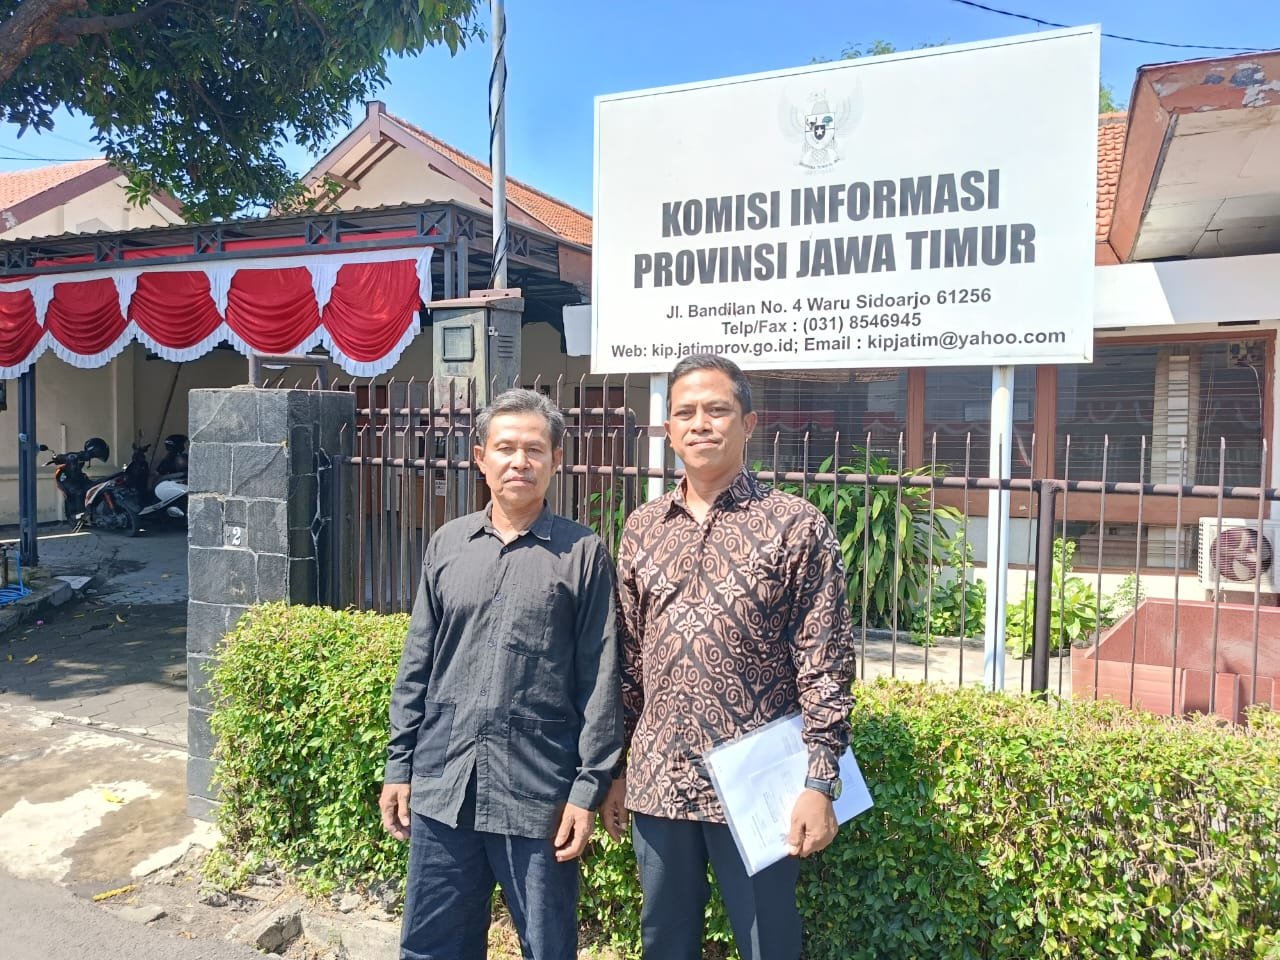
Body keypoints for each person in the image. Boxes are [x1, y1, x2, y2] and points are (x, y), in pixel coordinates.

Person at [600, 354, 854, 960]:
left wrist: (820, 781)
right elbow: (628, 661)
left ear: (748, 423)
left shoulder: (794, 526)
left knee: (769, 943)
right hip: (661, 779)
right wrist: (616, 768)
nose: (700, 423)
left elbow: (826, 663)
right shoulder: (643, 527)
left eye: (717, 410)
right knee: (665, 942)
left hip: (759, 784)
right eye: (685, 412)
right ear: (668, 430)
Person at [380, 387, 622, 960]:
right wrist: (399, 765)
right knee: (433, 946)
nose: (520, 461)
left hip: (537, 793)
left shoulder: (582, 553)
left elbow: (600, 678)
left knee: (547, 946)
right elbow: (418, 664)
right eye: (506, 448)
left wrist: (587, 788)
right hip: (445, 783)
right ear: (480, 457)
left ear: (556, 460)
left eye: (534, 449)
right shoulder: (449, 544)